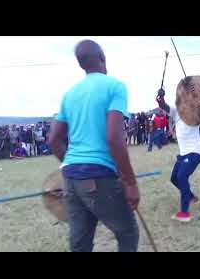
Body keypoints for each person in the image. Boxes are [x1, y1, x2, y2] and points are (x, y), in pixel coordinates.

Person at [48, 39, 140, 252]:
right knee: (127, 232)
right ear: (102, 58)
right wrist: (131, 183)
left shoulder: (69, 94)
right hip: (99, 176)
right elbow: (114, 138)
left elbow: (53, 140)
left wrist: (74, 164)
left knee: (80, 242)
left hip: (71, 177)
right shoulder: (115, 86)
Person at [156, 79, 200, 223]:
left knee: (182, 177)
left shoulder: (195, 113)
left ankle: (184, 213)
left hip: (194, 152)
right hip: (183, 154)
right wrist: (160, 97)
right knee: (174, 178)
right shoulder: (176, 112)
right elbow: (163, 106)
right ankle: (191, 197)